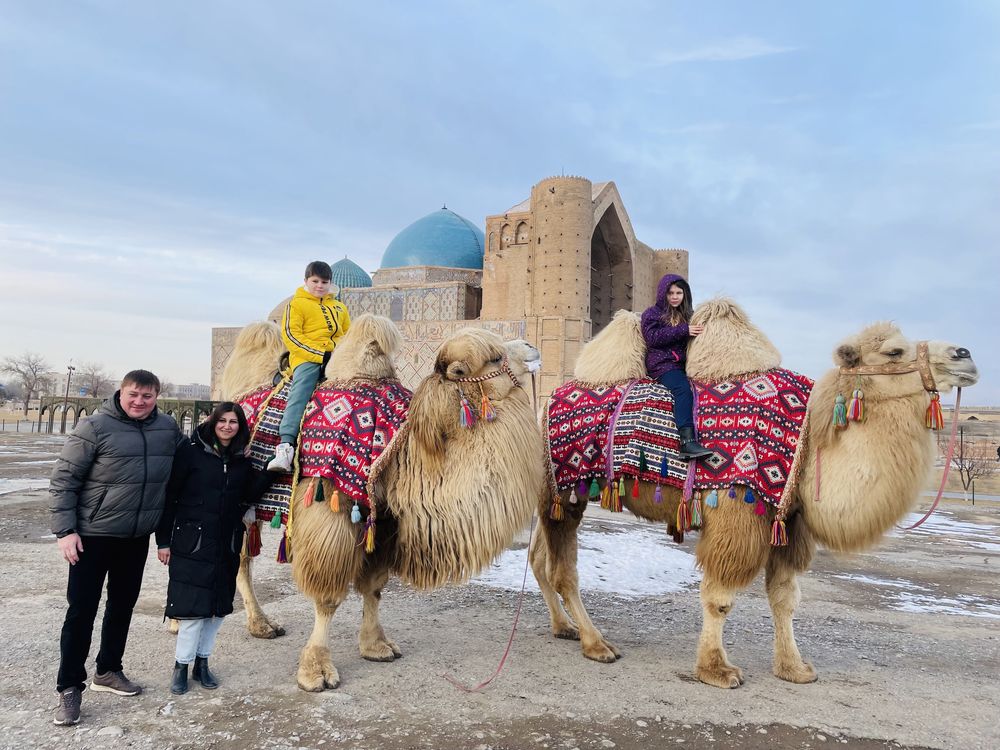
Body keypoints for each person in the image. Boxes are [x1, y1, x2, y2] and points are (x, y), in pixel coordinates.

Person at [49, 369, 183, 726]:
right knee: (81, 611)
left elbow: (193, 459)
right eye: (133, 395)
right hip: (92, 536)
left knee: (122, 606)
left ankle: (108, 670)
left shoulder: (167, 429)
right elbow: (64, 480)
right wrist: (65, 531)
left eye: (148, 396)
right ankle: (69, 687)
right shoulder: (94, 428)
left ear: (157, 396)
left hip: (135, 537)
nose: (140, 402)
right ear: (120, 393)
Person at [156, 402, 271, 695]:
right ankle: (181, 666)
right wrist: (163, 540)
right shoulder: (191, 452)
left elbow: (248, 495)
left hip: (226, 541)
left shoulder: (240, 460)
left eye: (234, 422)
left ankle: (202, 663)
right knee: (193, 610)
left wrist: (271, 471)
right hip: (191, 541)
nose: (227, 426)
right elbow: (170, 495)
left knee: (217, 610)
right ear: (212, 422)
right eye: (223, 421)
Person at [267, 260, 351, 472]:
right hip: (307, 358)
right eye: (315, 281)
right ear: (306, 281)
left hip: (336, 356)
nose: (319, 286)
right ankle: (285, 446)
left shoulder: (339, 308)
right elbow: (292, 336)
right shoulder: (296, 304)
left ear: (330, 283)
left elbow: (347, 335)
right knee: (302, 390)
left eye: (324, 282)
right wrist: (319, 355)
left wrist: (341, 353)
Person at [641, 274, 713, 460]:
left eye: (678, 292)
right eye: (670, 292)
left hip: (683, 364)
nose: (674, 297)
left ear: (685, 294)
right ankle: (687, 442)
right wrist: (684, 330)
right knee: (683, 390)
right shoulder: (652, 314)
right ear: (663, 294)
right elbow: (653, 338)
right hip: (662, 364)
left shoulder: (688, 315)